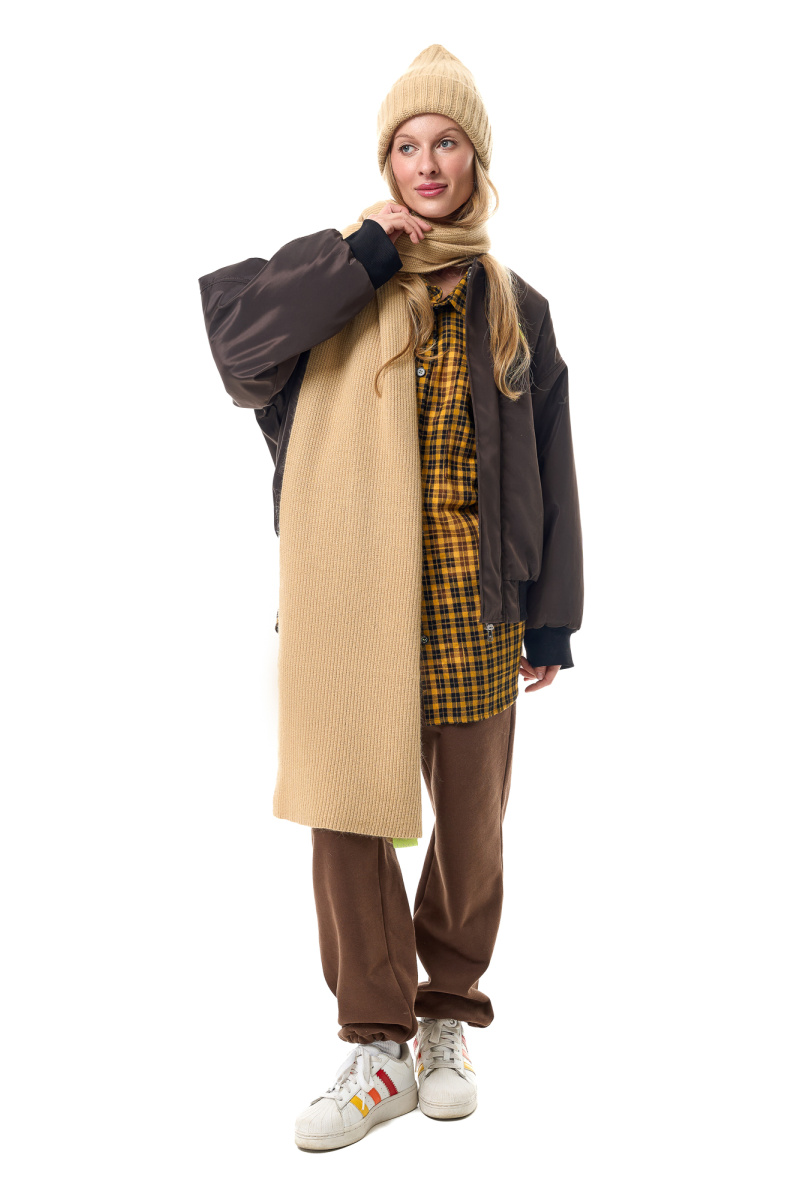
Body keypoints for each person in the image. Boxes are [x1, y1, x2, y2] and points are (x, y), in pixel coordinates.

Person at [198, 44, 583, 1152]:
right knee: (348, 816)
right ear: (385, 163)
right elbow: (238, 353)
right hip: (349, 602)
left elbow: (552, 464)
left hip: (474, 606)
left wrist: (551, 614)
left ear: (475, 162)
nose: (427, 162)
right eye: (407, 145)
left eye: (446, 142)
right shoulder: (334, 277)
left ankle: (444, 1014)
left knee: (470, 829)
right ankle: (376, 1046)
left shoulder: (516, 306)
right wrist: (361, 254)